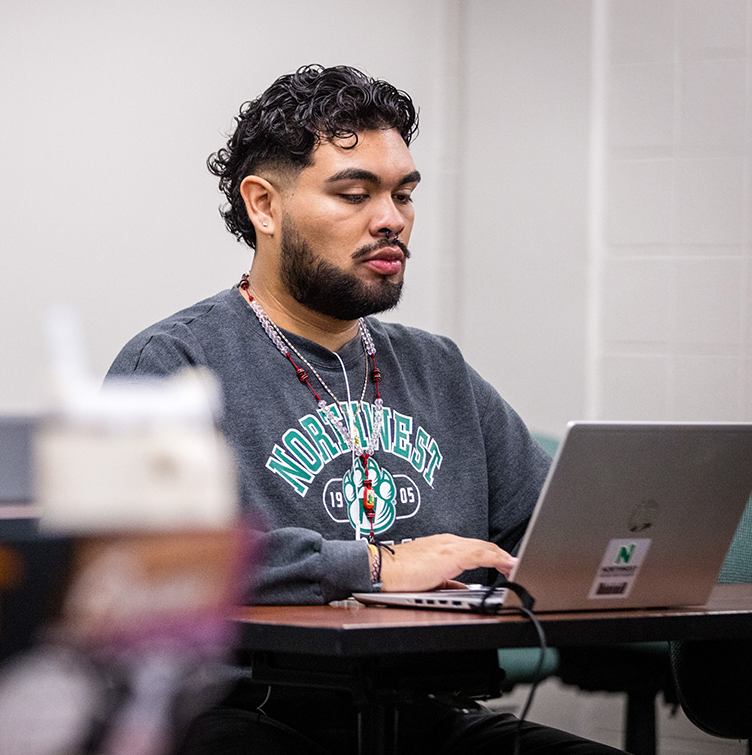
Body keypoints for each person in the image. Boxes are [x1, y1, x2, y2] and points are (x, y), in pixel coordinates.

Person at [106, 65, 623, 753]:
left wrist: (620, 549)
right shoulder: (173, 365)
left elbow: (547, 529)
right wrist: (376, 566)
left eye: (404, 195)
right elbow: (149, 561)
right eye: (355, 194)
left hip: (426, 715)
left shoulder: (436, 367)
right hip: (243, 717)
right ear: (263, 205)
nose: (391, 219)